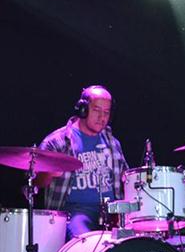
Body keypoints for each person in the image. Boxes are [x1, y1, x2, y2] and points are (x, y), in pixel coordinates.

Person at [37, 85, 128, 240]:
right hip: (75, 213)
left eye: (106, 112)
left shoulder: (113, 143)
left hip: (112, 214)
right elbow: (34, 182)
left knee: (134, 242)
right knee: (86, 244)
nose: (102, 117)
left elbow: (126, 178)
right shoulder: (57, 142)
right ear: (83, 110)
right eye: (97, 110)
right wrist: (49, 173)